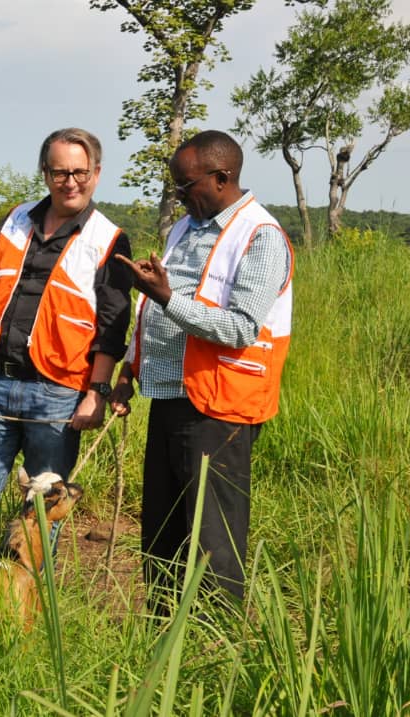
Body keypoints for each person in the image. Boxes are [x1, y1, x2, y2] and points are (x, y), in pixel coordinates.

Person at [111, 130, 293, 613]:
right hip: (170, 395)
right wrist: (130, 370)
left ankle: (212, 656)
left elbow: (239, 328)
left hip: (221, 407)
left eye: (185, 186)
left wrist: (167, 296)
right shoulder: (184, 228)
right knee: (163, 532)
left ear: (222, 177)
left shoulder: (261, 236)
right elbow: (153, 311)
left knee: (212, 538)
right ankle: (162, 643)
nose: (179, 196)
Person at [0, 128, 133, 562]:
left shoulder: (109, 239)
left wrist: (96, 393)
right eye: (60, 172)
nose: (70, 181)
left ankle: (25, 597)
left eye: (80, 172)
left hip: (59, 392)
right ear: (45, 173)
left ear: (96, 173)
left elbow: (112, 328)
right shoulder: (15, 220)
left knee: (44, 508)